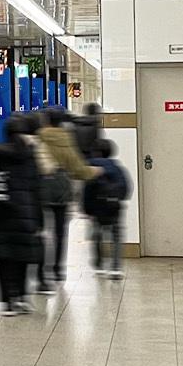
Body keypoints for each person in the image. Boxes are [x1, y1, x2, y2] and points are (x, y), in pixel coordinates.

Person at [0, 114, 43, 315]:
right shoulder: (30, 157)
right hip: (25, 216)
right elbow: (37, 189)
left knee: (3, 259)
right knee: (22, 258)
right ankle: (21, 296)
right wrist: (39, 220)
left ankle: (7, 302)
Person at [36, 107, 98, 291]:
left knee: (41, 231)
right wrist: (91, 173)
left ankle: (41, 272)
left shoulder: (39, 137)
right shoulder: (66, 138)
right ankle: (57, 270)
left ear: (46, 121)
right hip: (62, 187)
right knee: (60, 232)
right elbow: (77, 166)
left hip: (41, 188)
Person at [83, 138, 131, 279]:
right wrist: (120, 199)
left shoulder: (91, 168)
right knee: (116, 236)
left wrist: (87, 209)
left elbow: (87, 190)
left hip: (97, 208)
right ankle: (116, 267)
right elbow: (126, 186)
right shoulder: (117, 168)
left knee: (97, 235)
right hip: (114, 207)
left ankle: (99, 265)